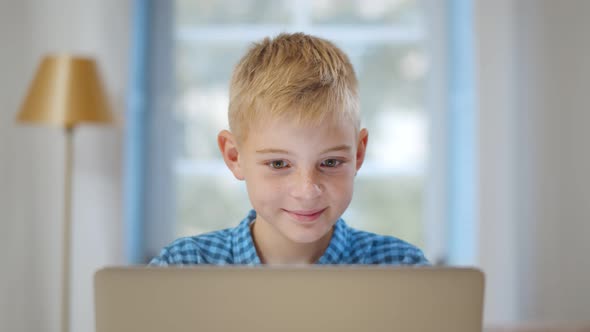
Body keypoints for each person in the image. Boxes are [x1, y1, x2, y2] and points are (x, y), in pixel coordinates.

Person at [150, 32, 428, 266]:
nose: (307, 190)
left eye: (330, 162)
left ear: (358, 154)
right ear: (234, 156)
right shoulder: (183, 266)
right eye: (279, 164)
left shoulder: (402, 268)